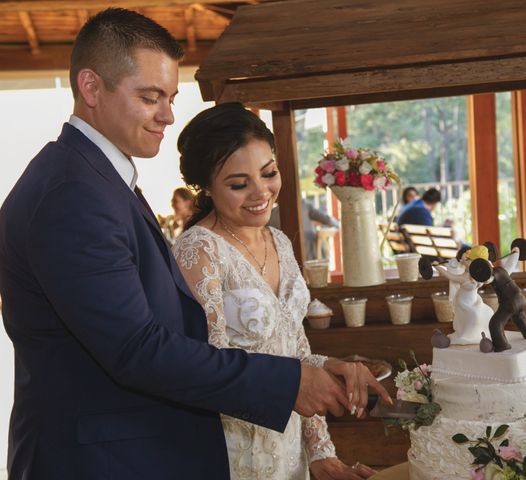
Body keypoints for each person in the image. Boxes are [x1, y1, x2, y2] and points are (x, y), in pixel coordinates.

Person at [0, 9, 387, 479]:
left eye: (170, 97)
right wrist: (287, 384)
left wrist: (317, 368)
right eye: (150, 97)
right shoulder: (72, 192)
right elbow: (135, 348)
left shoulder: (97, 178)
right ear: (91, 87)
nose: (168, 115)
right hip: (100, 461)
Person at [172, 103, 383, 480]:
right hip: (236, 457)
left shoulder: (280, 242)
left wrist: (320, 453)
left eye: (268, 173)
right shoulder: (198, 252)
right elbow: (205, 371)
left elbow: (295, 350)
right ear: (206, 185)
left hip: (290, 453)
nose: (260, 192)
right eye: (239, 184)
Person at [269, 199, 339, 260]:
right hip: (311, 254)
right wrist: (338, 224)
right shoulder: (303, 204)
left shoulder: (271, 214)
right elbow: (326, 219)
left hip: (285, 256)